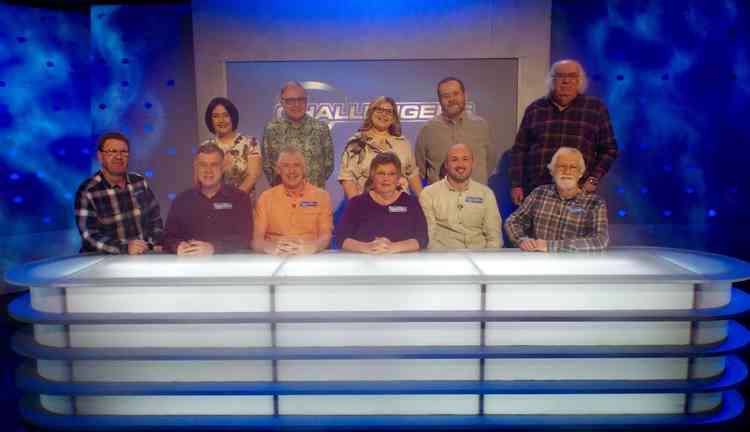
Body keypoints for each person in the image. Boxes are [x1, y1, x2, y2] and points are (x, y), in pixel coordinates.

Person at [509, 59, 618, 206]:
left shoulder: (596, 109)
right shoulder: (535, 109)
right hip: (537, 192)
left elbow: (610, 149)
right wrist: (516, 184)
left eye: (572, 76)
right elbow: (519, 150)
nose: (565, 81)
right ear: (551, 80)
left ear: (580, 81)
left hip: (578, 193)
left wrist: (593, 179)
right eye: (559, 76)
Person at [504, 147, 608, 252]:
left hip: (576, 265)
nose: (567, 171)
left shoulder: (595, 203)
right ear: (552, 171)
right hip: (539, 262)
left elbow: (600, 240)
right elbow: (513, 221)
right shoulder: (539, 193)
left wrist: (550, 246)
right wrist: (522, 240)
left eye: (573, 167)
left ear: (581, 173)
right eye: (562, 166)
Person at [74, 132, 163, 254]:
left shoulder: (139, 182)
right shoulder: (88, 190)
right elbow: (89, 236)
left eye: (123, 152)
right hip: (102, 261)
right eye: (112, 151)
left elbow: (155, 219)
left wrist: (151, 244)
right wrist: (125, 248)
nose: (119, 157)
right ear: (100, 156)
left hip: (141, 256)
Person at [163, 143, 252, 255]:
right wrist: (177, 246)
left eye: (214, 165)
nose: (208, 170)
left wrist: (213, 247)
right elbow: (167, 238)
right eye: (203, 165)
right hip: (189, 265)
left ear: (223, 167)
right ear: (196, 167)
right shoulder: (181, 200)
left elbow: (245, 238)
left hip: (227, 266)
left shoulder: (240, 198)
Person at [337, 152, 428, 254]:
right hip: (365, 263)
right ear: (372, 176)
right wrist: (367, 247)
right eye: (381, 173)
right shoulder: (357, 203)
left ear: (398, 178)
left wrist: (393, 247)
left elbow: (422, 238)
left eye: (391, 174)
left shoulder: (412, 203)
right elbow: (342, 238)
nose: (386, 178)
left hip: (403, 263)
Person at [415, 77, 496, 185]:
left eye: (456, 94)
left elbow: (490, 162)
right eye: (446, 96)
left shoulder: (481, 126)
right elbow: (420, 169)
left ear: (464, 95)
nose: (452, 99)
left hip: (475, 198)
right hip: (440, 199)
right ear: (439, 100)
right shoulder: (428, 129)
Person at [419, 143, 501, 249]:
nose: (460, 164)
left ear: (472, 163)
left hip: (480, 258)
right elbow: (429, 237)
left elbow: (494, 236)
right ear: (446, 165)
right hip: (444, 259)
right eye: (454, 160)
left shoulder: (486, 194)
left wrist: (486, 260)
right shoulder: (429, 194)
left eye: (465, 159)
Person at [253, 147, 333, 255]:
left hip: (309, 256)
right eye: (286, 166)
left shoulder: (321, 196)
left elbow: (325, 237)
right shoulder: (266, 197)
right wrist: (271, 248)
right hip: (274, 257)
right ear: (278, 170)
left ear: (304, 169)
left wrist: (311, 248)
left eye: (297, 165)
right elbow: (256, 240)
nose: (292, 171)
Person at [339, 96, 422, 198]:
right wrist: (356, 205)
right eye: (379, 110)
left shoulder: (403, 142)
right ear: (371, 113)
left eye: (389, 112)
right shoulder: (357, 142)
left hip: (400, 205)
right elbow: (347, 177)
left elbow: (412, 173)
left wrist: (422, 201)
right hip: (368, 204)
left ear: (393, 118)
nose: (384, 114)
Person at [261, 81, 334, 188]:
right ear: (282, 102)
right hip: (283, 195)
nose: (296, 104)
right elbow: (267, 166)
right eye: (290, 100)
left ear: (306, 101)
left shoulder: (321, 128)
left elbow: (328, 165)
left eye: (301, 99)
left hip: (314, 195)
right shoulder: (271, 129)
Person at [201, 97, 261, 194]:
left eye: (226, 115)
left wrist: (234, 200)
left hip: (243, 201)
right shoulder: (205, 147)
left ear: (232, 117)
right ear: (210, 120)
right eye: (216, 116)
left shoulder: (250, 142)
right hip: (213, 203)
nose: (221, 120)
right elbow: (200, 180)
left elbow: (253, 176)